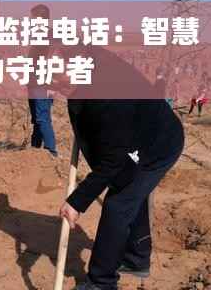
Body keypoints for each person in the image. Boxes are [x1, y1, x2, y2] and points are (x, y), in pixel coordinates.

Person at [56, 49, 184, 290]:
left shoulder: (109, 92)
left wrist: (77, 201)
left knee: (118, 203)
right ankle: (136, 259)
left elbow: (112, 161)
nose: (53, 84)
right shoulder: (84, 67)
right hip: (135, 134)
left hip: (157, 145)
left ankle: (102, 282)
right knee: (129, 192)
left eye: (56, 77)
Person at [27, 4, 57, 156]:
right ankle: (35, 150)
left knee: (42, 117)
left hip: (43, 82)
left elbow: (52, 59)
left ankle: (51, 151)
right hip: (34, 81)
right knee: (37, 118)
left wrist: (51, 84)